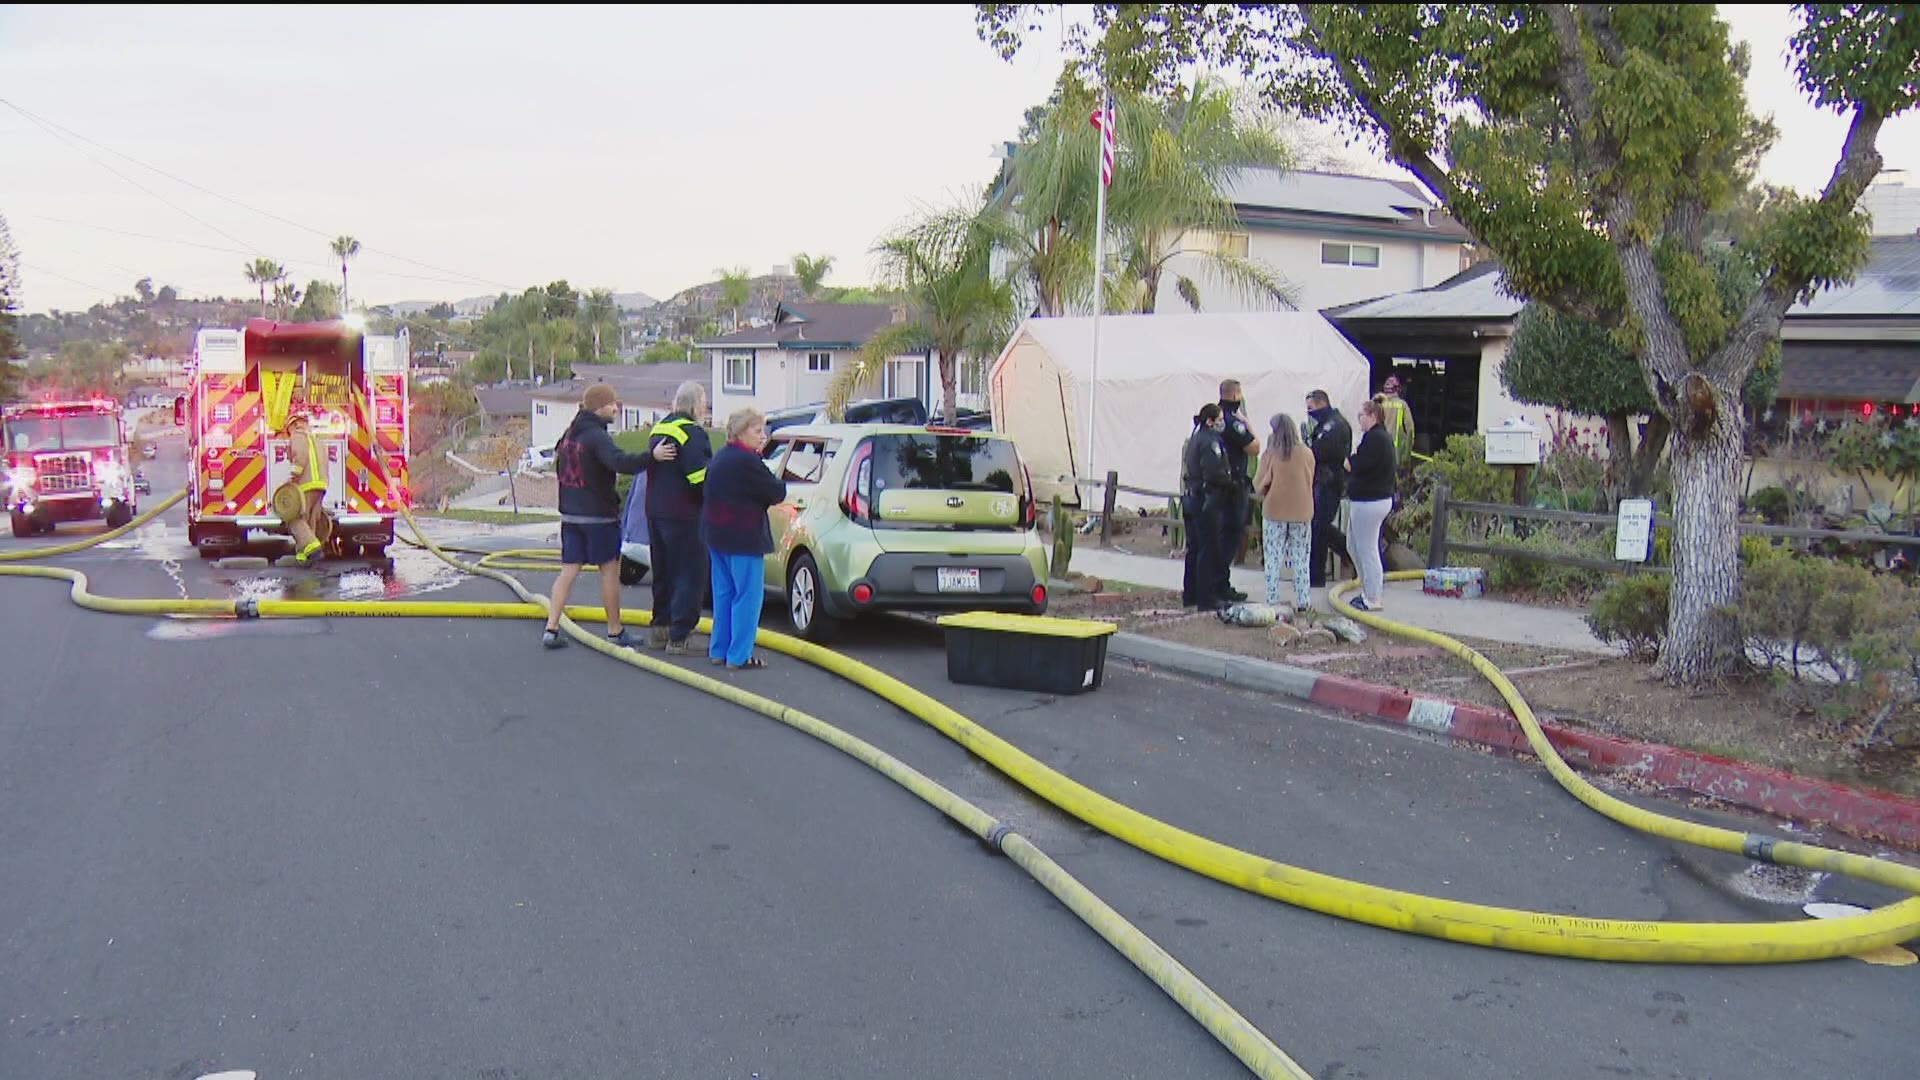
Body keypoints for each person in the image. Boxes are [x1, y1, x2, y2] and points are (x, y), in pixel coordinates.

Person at [541, 383, 676, 649]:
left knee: (568, 571)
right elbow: (620, 462)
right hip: (599, 517)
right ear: (599, 407)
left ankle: (551, 627)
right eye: (612, 404)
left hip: (570, 515)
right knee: (608, 572)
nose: (616, 408)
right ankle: (615, 631)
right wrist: (653, 456)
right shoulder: (596, 437)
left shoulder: (570, 434)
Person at [700, 408, 787, 670]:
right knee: (747, 596)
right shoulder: (748, 462)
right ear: (740, 432)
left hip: (716, 535)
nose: (763, 437)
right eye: (757, 431)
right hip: (743, 537)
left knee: (724, 593)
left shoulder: (720, 457)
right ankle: (739, 655)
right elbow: (776, 491)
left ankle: (719, 649)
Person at [646, 381, 714, 654]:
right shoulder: (692, 433)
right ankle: (680, 635)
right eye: (704, 403)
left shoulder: (659, 428)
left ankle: (659, 629)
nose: (705, 409)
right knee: (689, 573)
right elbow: (699, 479)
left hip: (655, 511)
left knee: (662, 572)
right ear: (696, 405)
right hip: (684, 514)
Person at [1254, 412, 1317, 612]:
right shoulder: (1307, 453)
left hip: (1274, 511)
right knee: (1301, 557)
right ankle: (1304, 600)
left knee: (1273, 557)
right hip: (1302, 512)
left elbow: (1259, 484)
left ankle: (1272, 598)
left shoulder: (1270, 454)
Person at [1345, 399, 1397, 613]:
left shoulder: (1376, 439)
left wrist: (1348, 461)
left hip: (1370, 501)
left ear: (1372, 416)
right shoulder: (1377, 438)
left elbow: (1357, 465)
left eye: (1361, 415)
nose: (1359, 420)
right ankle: (1367, 589)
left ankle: (1373, 596)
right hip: (1368, 500)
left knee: (1367, 549)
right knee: (1353, 545)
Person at [1180, 403, 1234, 611]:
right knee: (1207, 549)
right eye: (1219, 419)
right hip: (1206, 501)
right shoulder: (1210, 441)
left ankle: (1190, 594)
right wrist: (1228, 483)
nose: (1222, 423)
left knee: (1194, 549)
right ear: (1210, 421)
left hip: (1191, 499)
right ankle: (1206, 597)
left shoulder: (1194, 439)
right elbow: (1214, 472)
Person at [1214, 379, 1259, 602]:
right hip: (1233, 486)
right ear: (1235, 396)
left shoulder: (1214, 418)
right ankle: (1220, 584)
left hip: (1215, 485)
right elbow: (1254, 447)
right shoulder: (1233, 421)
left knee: (1217, 535)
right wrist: (1247, 423)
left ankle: (1212, 582)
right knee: (1230, 535)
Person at [1303, 389, 1353, 588]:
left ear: (1321, 403)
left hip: (1329, 482)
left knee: (1319, 526)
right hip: (1322, 480)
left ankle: (1318, 575)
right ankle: (1346, 551)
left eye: (1310, 408)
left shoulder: (1335, 425)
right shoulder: (1326, 424)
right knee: (1319, 526)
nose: (1308, 412)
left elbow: (1320, 451)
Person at [284, 412, 329, 566]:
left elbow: (300, 457)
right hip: (321, 485)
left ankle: (313, 547)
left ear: (295, 424)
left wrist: (293, 478)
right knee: (311, 518)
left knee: (294, 518)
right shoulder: (317, 440)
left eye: (288, 429)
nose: (289, 432)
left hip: (306, 484)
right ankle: (303, 556)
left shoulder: (298, 436)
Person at [1379, 374, 1417, 467]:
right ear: (1398, 389)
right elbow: (1410, 429)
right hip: (1396, 452)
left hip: (1380, 450)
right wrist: (1408, 450)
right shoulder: (1402, 405)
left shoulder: (1379, 405)